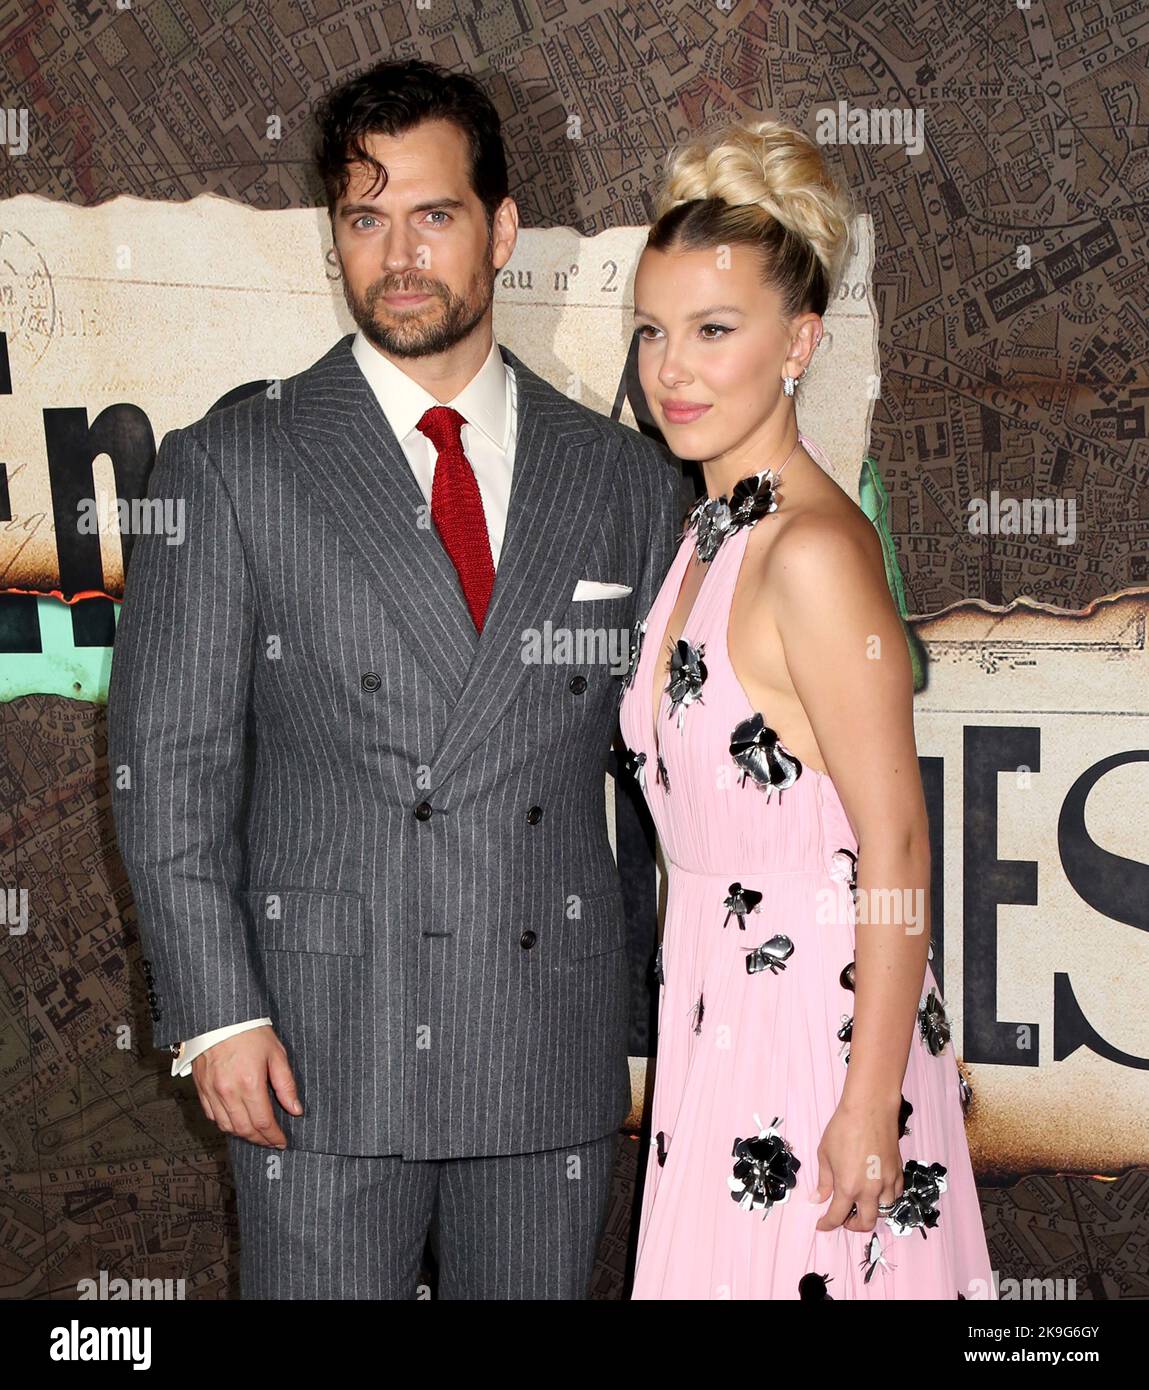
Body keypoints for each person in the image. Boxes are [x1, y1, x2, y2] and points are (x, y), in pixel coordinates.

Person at [107, 58, 681, 1300]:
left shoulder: (623, 481)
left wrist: (669, 1014)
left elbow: (664, 788)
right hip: (316, 1048)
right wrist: (216, 1012)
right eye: (366, 221)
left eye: (434, 214)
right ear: (335, 240)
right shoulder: (232, 462)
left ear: (503, 230)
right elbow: (170, 766)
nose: (399, 255)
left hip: (545, 1048)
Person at [618, 119, 996, 1299]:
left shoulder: (817, 551)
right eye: (654, 332)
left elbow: (896, 841)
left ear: (801, 340)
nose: (671, 368)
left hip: (817, 1049)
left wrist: (870, 1100)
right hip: (716, 1033)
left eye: (713, 331)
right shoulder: (708, 532)